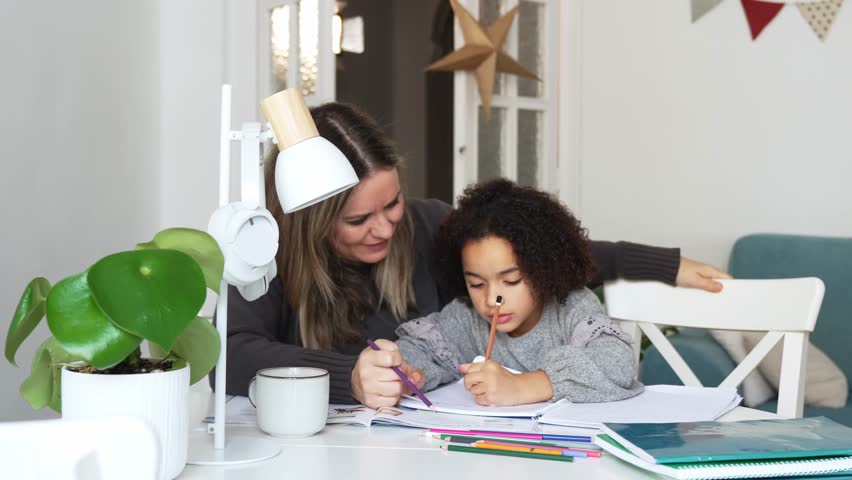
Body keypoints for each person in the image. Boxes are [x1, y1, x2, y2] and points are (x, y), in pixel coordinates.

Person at [220, 102, 731, 407]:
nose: (385, 227)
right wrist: (347, 376)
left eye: (392, 202)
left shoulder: (425, 224)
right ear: (308, 218)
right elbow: (231, 354)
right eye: (358, 221)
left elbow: (536, 253)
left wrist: (662, 265)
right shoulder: (265, 254)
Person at [394, 178, 641, 406]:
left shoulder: (571, 307)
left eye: (512, 280)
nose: (492, 300)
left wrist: (524, 387)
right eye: (477, 284)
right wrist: (403, 372)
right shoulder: (466, 317)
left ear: (544, 268)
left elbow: (617, 363)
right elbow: (418, 352)